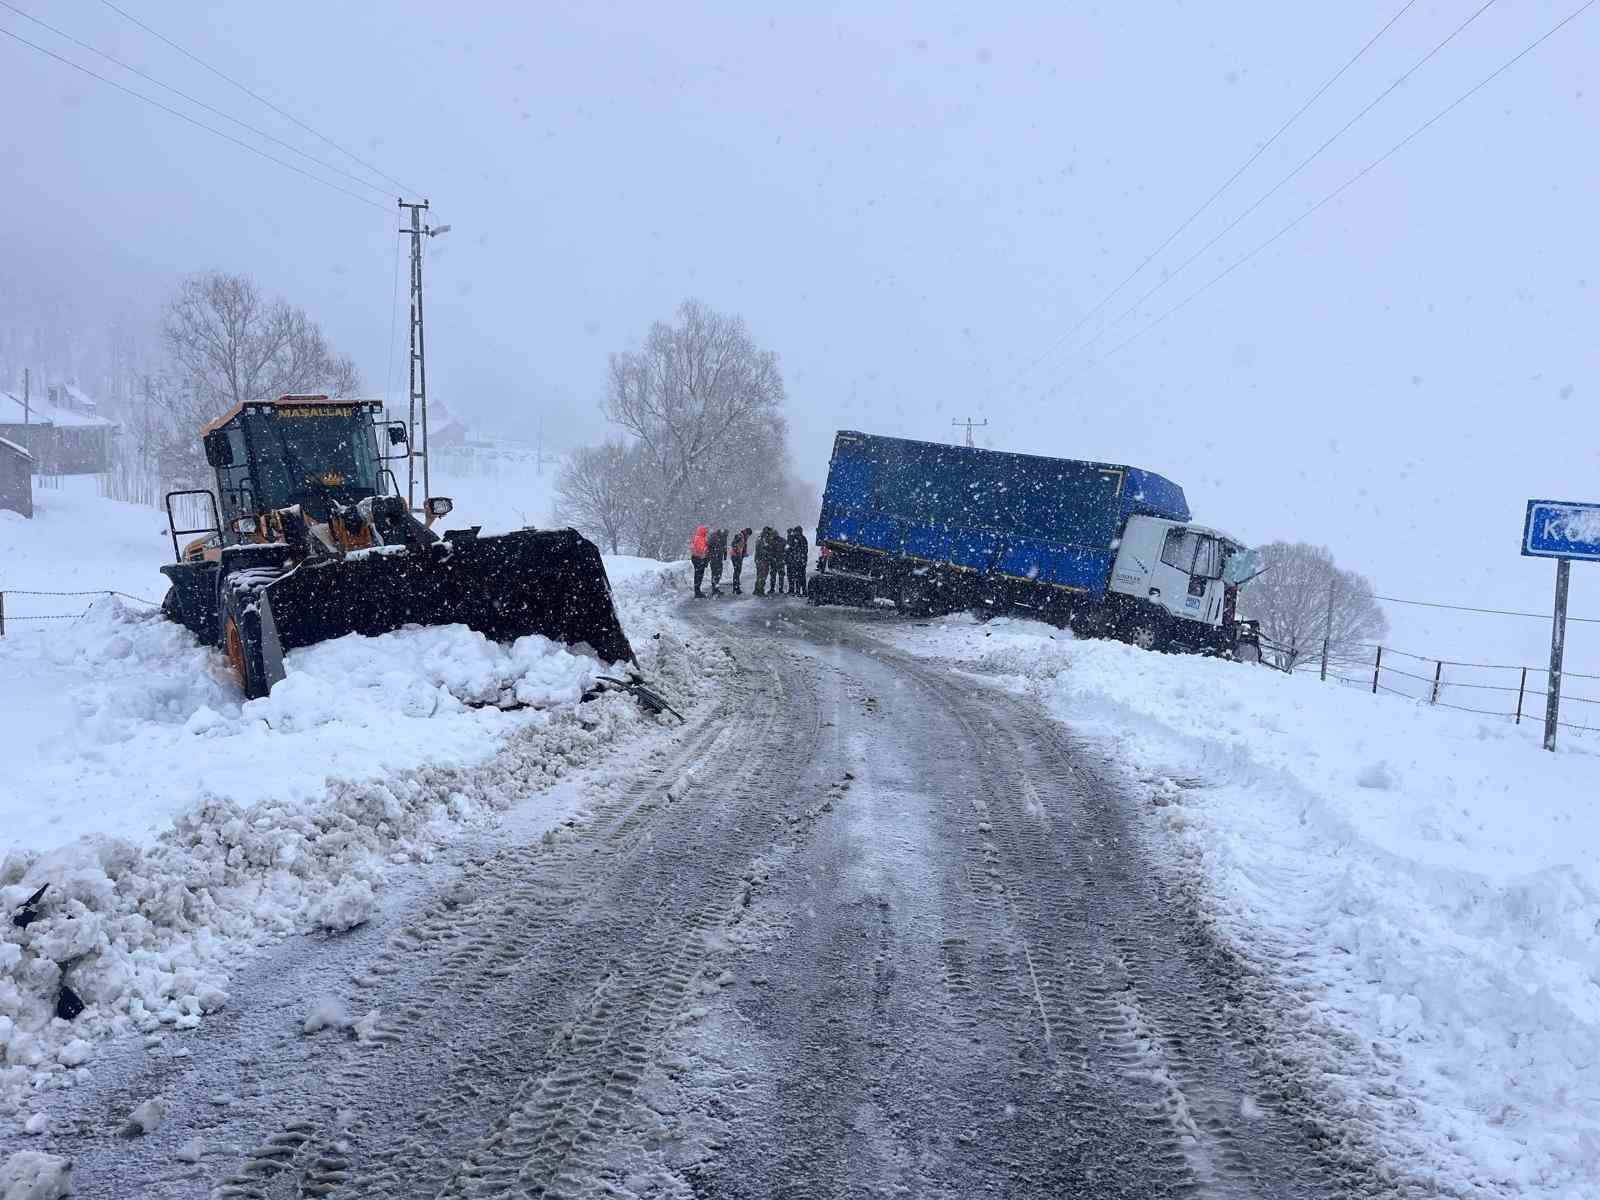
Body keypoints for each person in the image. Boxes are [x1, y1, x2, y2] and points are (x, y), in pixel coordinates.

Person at [754, 525, 779, 596]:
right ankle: (760, 590)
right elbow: (761, 550)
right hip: (762, 560)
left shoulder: (762, 539)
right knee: (762, 576)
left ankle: (757, 589)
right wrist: (769, 554)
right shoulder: (762, 540)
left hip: (762, 560)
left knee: (760, 575)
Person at [785, 526, 809, 595]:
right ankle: (802, 591)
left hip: (797, 561)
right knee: (800, 576)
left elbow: (789, 549)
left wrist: (794, 558)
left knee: (797, 576)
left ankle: (798, 590)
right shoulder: (802, 538)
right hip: (799, 561)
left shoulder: (797, 539)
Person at [729, 527, 752, 594]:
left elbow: (743, 546)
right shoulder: (739, 536)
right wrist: (738, 552)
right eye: (748, 535)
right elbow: (733, 544)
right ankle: (736, 588)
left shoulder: (743, 537)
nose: (748, 536)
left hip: (738, 556)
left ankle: (736, 586)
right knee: (737, 571)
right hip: (735, 556)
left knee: (738, 571)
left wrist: (744, 553)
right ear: (746, 533)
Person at [689, 524, 710, 597]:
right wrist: (707, 547)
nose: (707, 532)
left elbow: (692, 547)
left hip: (696, 558)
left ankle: (697, 591)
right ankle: (697, 592)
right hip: (699, 558)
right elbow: (701, 549)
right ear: (702, 531)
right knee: (699, 575)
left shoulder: (697, 537)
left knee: (698, 575)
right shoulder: (700, 538)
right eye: (705, 531)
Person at [707, 528, 729, 596]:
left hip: (718, 558)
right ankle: (714, 589)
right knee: (715, 574)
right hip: (715, 559)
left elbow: (724, 548)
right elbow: (710, 547)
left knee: (718, 573)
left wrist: (724, 555)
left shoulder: (721, 538)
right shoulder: (715, 538)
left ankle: (716, 588)